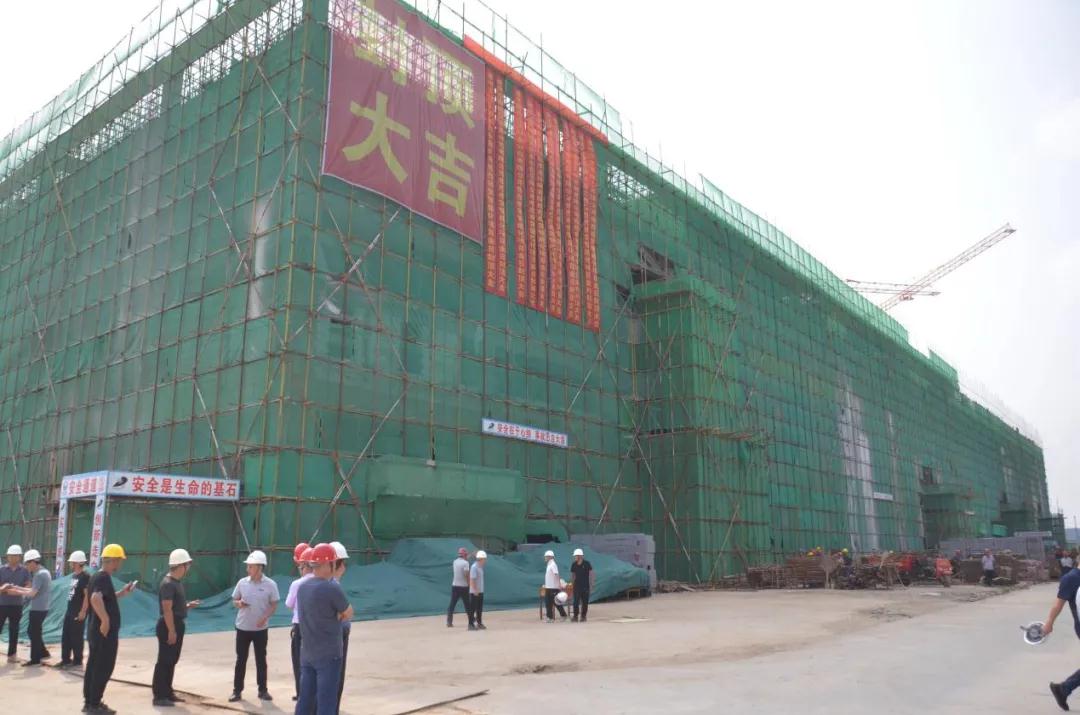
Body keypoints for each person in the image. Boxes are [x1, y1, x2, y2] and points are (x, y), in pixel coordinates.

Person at [296, 542, 354, 715]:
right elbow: (349, 612)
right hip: (329, 654)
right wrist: (336, 615)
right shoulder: (331, 587)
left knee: (305, 699)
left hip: (307, 653)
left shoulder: (302, 587)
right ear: (328, 564)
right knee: (326, 702)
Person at [84, 543, 137, 714]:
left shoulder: (96, 576)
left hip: (95, 631)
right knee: (103, 666)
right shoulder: (103, 578)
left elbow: (104, 597)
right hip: (103, 633)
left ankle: (90, 702)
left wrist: (122, 593)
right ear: (113, 561)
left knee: (93, 665)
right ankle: (94, 705)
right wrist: (105, 620)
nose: (120, 564)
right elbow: (95, 598)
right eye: (119, 560)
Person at [152, 548, 200, 707]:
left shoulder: (176, 583)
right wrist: (171, 630)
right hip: (169, 625)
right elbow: (167, 609)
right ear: (180, 565)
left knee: (172, 660)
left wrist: (187, 606)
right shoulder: (168, 584)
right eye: (187, 564)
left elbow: (174, 607)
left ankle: (167, 692)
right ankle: (159, 696)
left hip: (176, 623)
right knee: (164, 660)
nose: (189, 568)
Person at [229, 550, 279, 703]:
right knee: (241, 660)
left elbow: (274, 604)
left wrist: (265, 617)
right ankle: (237, 691)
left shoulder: (270, 585)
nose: (247, 569)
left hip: (260, 630)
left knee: (261, 660)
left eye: (250, 566)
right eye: (248, 566)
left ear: (260, 567)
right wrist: (239, 604)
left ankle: (263, 690)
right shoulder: (242, 583)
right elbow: (234, 600)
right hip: (242, 628)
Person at [2, 548, 52, 666]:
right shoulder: (43, 572)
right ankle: (43, 653)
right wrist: (16, 587)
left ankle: (35, 659)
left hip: (37, 608)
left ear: (33, 562)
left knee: (32, 632)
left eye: (27, 563)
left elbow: (32, 593)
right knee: (34, 631)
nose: (26, 566)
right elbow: (32, 590)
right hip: (39, 607)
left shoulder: (39, 574)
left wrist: (16, 592)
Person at [1045, 565, 1080, 710]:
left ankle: (1063, 689)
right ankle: (1063, 689)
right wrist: (1049, 623)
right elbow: (1058, 604)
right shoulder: (1071, 578)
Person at [285, 543, 313, 702]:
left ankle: (301, 693)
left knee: (299, 660)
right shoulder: (324, 582)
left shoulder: (297, 584)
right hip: (317, 627)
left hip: (300, 625)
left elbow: (289, 604)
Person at [329, 541, 352, 710]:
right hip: (336, 636)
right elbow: (346, 612)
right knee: (335, 677)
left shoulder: (317, 584)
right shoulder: (333, 586)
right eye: (343, 562)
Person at [0, 544, 30, 662]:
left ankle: (12, 655)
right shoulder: (2, 570)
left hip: (17, 605)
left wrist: (18, 591)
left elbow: (28, 585)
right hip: (2, 604)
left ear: (19, 557)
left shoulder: (24, 570)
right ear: (7, 556)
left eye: (15, 556)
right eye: (11, 556)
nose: (13, 558)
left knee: (14, 629)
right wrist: (5, 589)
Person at [60, 550, 90, 667]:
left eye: (72, 562)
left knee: (76, 636)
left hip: (78, 611)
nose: (70, 564)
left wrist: (83, 611)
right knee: (66, 635)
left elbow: (87, 595)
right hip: (70, 610)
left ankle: (77, 660)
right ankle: (65, 659)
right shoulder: (74, 576)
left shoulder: (85, 577)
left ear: (77, 563)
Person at [446, 547, 471, 628]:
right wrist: (469, 584)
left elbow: (462, 562)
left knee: (452, 604)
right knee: (467, 604)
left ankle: (449, 622)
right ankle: (471, 620)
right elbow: (466, 575)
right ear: (465, 555)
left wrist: (467, 557)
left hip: (455, 586)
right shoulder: (466, 563)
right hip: (463, 587)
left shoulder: (455, 562)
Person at [569, 548, 595, 623]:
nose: (575, 557)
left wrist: (591, 585)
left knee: (585, 602)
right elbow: (573, 575)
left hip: (585, 586)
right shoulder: (574, 564)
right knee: (575, 602)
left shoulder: (587, 564)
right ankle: (575, 616)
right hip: (577, 587)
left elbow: (591, 574)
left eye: (576, 556)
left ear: (580, 556)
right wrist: (572, 584)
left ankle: (583, 616)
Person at [543, 550, 567, 622]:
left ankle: (563, 615)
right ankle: (550, 618)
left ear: (550, 557)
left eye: (546, 556)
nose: (545, 558)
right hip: (548, 587)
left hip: (553, 588)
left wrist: (559, 585)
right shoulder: (549, 564)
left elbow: (556, 575)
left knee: (556, 602)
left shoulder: (553, 564)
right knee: (548, 603)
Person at [467, 550, 486, 631]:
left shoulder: (480, 567)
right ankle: (470, 625)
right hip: (474, 592)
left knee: (479, 608)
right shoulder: (474, 567)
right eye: (484, 559)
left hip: (480, 591)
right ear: (481, 559)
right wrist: (475, 590)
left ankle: (479, 623)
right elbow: (472, 580)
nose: (485, 560)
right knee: (473, 609)